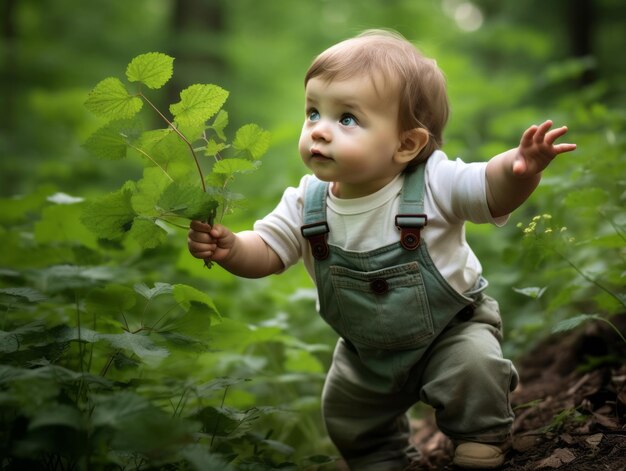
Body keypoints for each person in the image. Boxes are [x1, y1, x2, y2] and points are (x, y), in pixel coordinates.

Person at [188, 29, 576, 470]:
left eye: (347, 119)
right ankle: (382, 458)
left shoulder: (433, 182)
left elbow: (488, 187)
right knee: (346, 414)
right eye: (313, 112)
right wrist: (232, 246)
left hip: (450, 331)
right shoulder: (306, 201)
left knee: (475, 367)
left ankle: (479, 436)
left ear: (406, 143)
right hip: (365, 352)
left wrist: (519, 170)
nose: (321, 131)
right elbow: (269, 251)